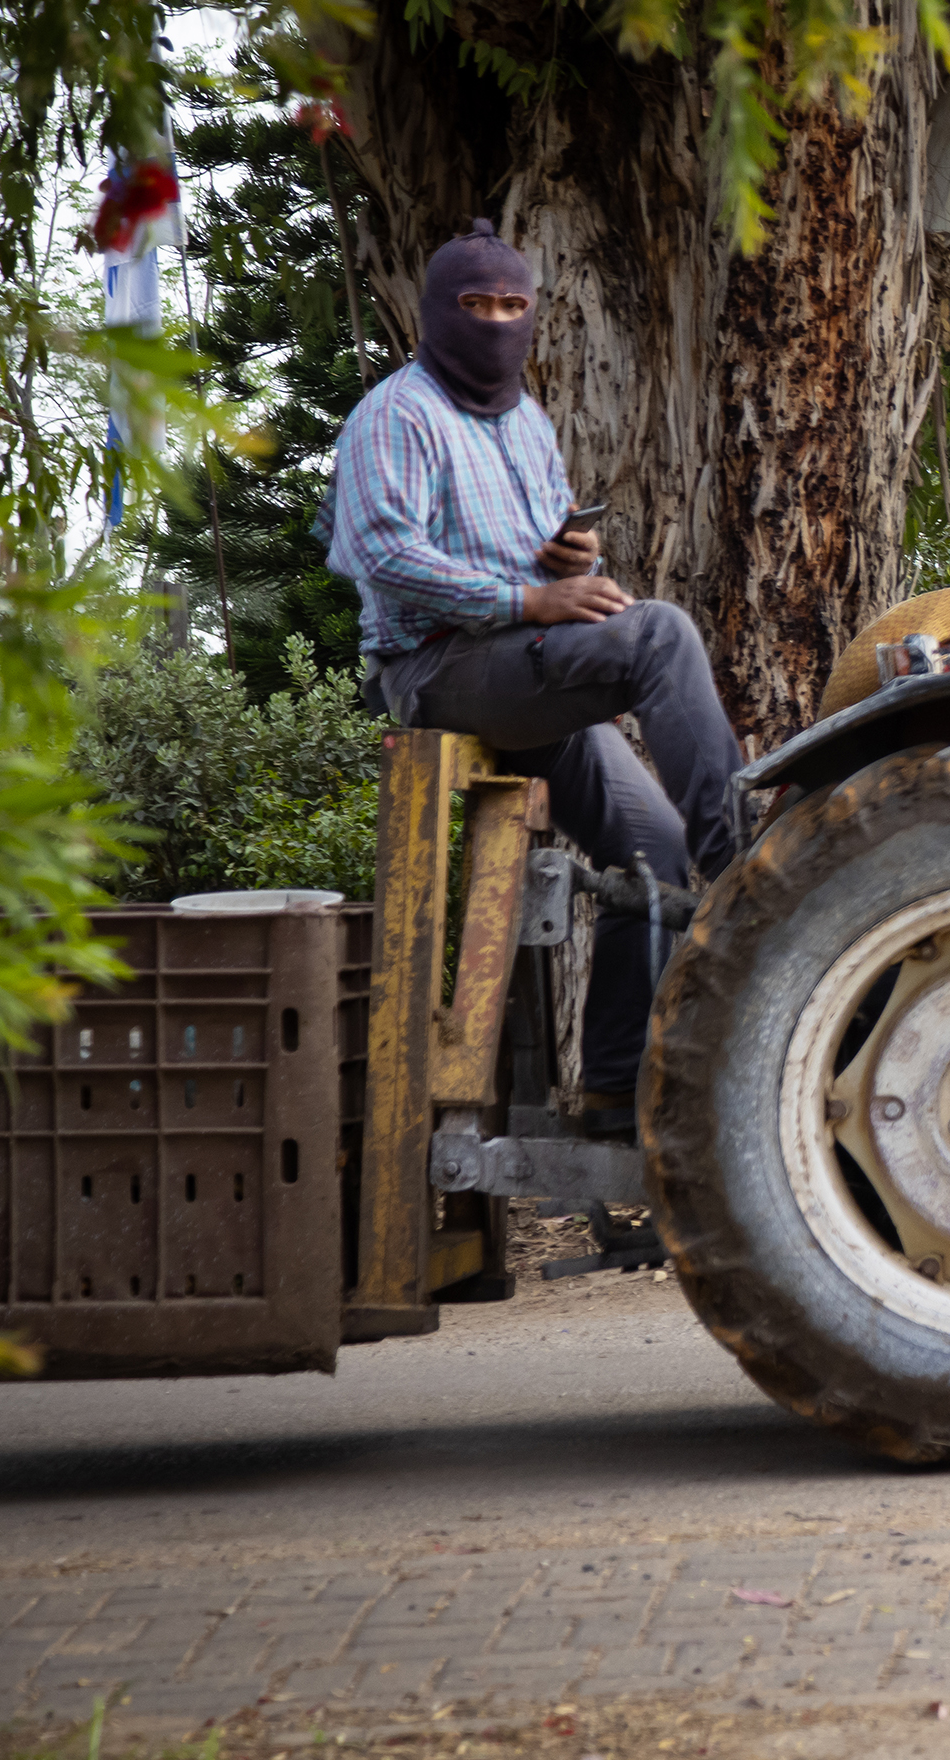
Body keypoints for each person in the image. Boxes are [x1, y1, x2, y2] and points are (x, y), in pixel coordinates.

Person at [316, 219, 744, 1132]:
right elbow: (378, 554)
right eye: (478, 306)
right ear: (438, 313)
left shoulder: (525, 419)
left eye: (515, 306)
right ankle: (747, 872)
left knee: (651, 854)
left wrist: (566, 557)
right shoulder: (396, 415)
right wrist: (529, 604)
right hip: (437, 669)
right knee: (659, 634)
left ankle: (613, 1090)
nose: (498, 322)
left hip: (523, 668)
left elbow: (540, 563)